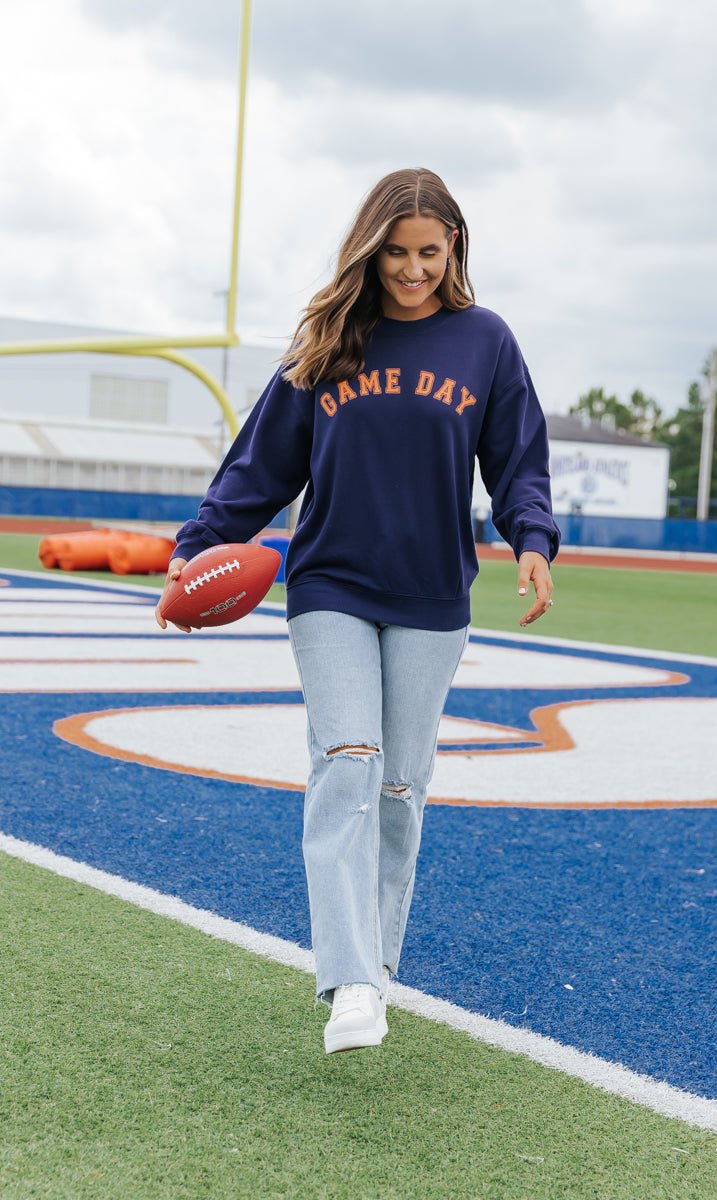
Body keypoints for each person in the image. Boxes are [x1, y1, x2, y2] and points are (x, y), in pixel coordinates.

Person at [155, 167, 559, 1054]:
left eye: (427, 251)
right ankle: (349, 983)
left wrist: (533, 539)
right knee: (347, 761)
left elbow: (517, 460)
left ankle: (376, 966)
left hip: (432, 597)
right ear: (369, 250)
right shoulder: (331, 338)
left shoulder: (485, 341)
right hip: (330, 585)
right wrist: (193, 548)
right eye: (394, 253)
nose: (411, 270)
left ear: (454, 244)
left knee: (400, 789)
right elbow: (259, 466)